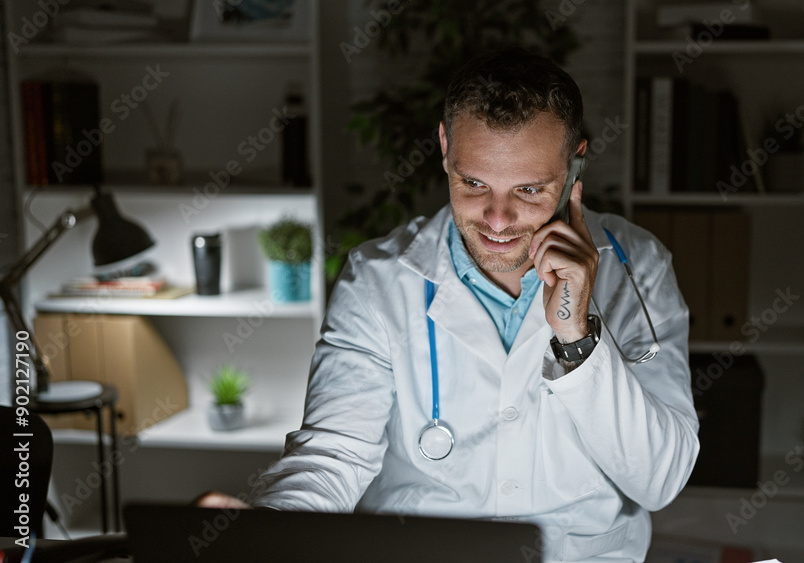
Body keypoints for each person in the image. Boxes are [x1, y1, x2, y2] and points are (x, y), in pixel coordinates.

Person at [202, 48, 699, 562]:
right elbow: (333, 455)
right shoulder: (377, 280)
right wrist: (263, 530)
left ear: (575, 162)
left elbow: (660, 481)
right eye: (473, 184)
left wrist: (577, 339)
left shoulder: (638, 267)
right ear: (444, 146)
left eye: (529, 190)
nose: (499, 220)